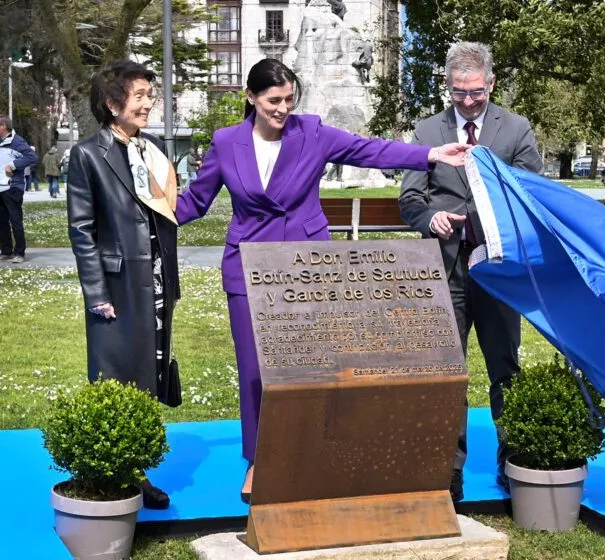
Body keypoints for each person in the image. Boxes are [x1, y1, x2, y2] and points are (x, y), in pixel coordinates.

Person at [175, 58, 470, 502]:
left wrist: (429, 154)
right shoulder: (225, 141)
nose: (282, 109)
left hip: (308, 269)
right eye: (274, 101)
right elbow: (196, 200)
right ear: (251, 98)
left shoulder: (311, 132)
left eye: (289, 100)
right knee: (255, 373)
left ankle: (313, 454)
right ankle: (258, 461)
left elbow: (367, 149)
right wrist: (145, 219)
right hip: (248, 268)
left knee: (312, 368)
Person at [399, 42, 543, 501]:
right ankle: (448, 470)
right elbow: (410, 198)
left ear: (492, 83)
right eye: (459, 92)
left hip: (499, 270)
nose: (467, 101)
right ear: (448, 86)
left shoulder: (516, 130)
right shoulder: (426, 131)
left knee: (505, 367)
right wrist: (429, 219)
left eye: (476, 92)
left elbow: (530, 196)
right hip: (445, 271)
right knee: (448, 370)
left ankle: (512, 462)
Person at [67, 59, 180, 510]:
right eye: (141, 96)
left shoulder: (151, 149)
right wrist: (96, 293)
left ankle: (137, 470)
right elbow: (82, 229)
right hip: (115, 286)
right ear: (113, 104)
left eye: (150, 96)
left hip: (154, 280)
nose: (149, 104)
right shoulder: (88, 155)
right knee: (115, 377)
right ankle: (110, 474)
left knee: (148, 374)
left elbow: (166, 210)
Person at [0, 115, 37, 264]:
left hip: (12, 187)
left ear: (4, 126)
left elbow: (32, 157)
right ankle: (6, 251)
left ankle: (19, 253)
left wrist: (14, 165)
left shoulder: (17, 142)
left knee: (15, 221)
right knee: (1, 222)